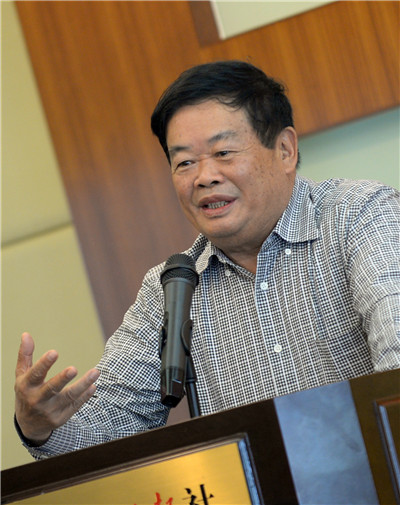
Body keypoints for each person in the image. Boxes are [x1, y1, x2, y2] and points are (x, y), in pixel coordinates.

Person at [14, 61, 400, 460]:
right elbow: (112, 424)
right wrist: (42, 427)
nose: (204, 177)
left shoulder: (359, 216)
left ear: (285, 150)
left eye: (223, 152)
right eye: (184, 162)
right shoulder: (172, 286)